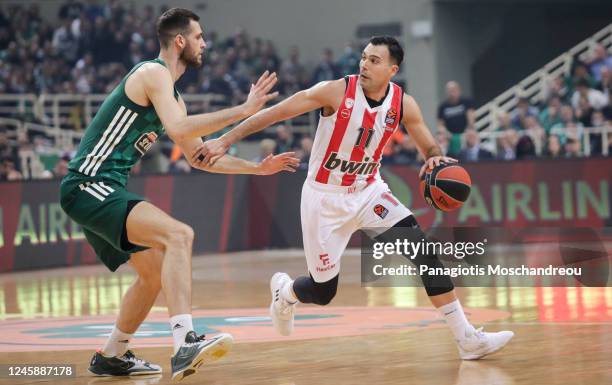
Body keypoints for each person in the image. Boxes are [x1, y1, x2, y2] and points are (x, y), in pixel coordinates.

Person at [197, 36, 514, 360]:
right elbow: (276, 113)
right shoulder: (335, 91)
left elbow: (430, 147)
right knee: (323, 292)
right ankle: (286, 292)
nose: (364, 64)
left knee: (425, 255)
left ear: (393, 69)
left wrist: (434, 158)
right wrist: (225, 139)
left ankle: (467, 339)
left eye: (374, 60)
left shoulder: (403, 104)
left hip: (368, 192)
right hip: (325, 198)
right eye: (364, 57)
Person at [59, 8, 298, 382]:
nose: (205, 43)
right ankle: (185, 341)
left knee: (152, 276)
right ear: (181, 41)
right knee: (179, 235)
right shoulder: (152, 73)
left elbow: (200, 157)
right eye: (200, 37)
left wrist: (256, 169)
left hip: (101, 188)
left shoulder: (172, 96)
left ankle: (111, 355)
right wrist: (244, 110)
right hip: (88, 184)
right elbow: (179, 127)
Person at [437, 81, 475, 157]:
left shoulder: (466, 101)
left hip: (464, 133)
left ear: (459, 90)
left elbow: (471, 119)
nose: (452, 93)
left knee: (471, 136)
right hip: (449, 135)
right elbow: (440, 125)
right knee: (441, 138)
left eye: (454, 90)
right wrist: (446, 133)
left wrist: (468, 130)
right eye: (450, 91)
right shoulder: (443, 106)